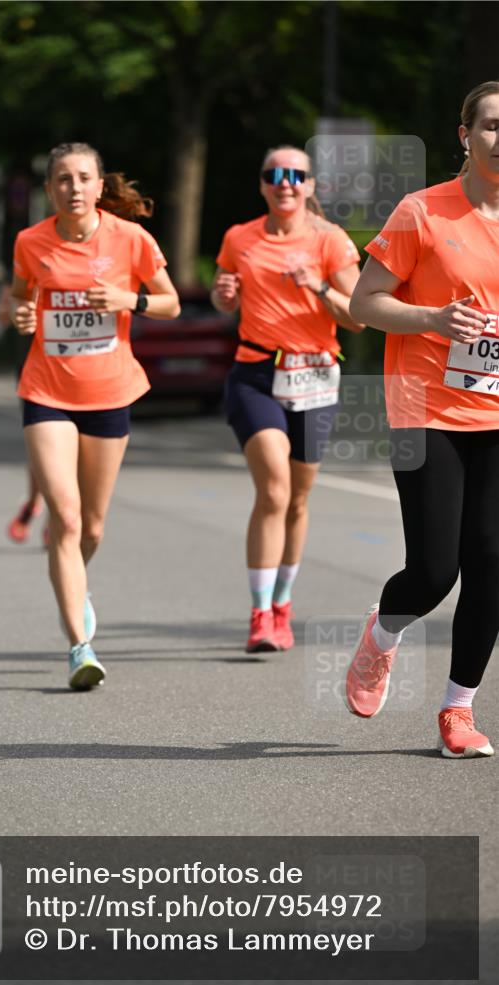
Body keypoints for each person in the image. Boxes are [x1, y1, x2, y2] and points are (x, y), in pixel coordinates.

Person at [344, 81, 499, 759]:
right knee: (434, 571)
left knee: (492, 562)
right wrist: (432, 319)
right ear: (463, 135)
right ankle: (381, 638)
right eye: (491, 124)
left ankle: (456, 711)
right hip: (425, 407)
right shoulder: (421, 212)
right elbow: (363, 303)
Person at [10, 142, 179, 690]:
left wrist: (129, 302)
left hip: (110, 394)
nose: (74, 188)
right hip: (46, 392)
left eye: (84, 178)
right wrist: (15, 313)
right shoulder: (30, 242)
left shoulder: (130, 239)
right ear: (50, 189)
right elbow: (16, 298)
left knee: (94, 526)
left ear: (100, 186)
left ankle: (75, 579)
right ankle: (80, 647)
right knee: (66, 515)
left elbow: (171, 302)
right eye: (63, 179)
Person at [211, 146, 363, 653]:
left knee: (298, 498)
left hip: (315, 374)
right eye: (275, 174)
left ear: (311, 185)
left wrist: (318, 286)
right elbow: (222, 292)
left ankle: (282, 604)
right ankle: (258, 615)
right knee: (274, 489)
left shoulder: (330, 240)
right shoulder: (240, 237)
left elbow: (358, 316)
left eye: (296, 175)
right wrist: (224, 297)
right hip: (256, 372)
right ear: (262, 184)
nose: (286, 182)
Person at [0, 281, 48, 546]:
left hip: (78, 377)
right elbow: (2, 318)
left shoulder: (85, 268)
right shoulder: (23, 277)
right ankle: (33, 502)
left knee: (75, 451)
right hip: (34, 377)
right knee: (42, 448)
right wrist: (16, 307)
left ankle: (54, 513)